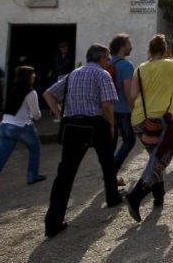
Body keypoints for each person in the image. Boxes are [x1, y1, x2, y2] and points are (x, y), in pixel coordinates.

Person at [42, 44, 121, 237]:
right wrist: (111, 124)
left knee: (65, 174)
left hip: (72, 125)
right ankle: (112, 196)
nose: (109, 61)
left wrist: (60, 114)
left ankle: (53, 221)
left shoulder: (72, 74)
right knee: (107, 162)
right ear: (102, 58)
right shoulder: (102, 75)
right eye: (108, 58)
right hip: (95, 123)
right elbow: (107, 105)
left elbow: (48, 94)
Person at [125, 34, 173, 223]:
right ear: (165, 49)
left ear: (150, 50)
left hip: (140, 119)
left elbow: (132, 96)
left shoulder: (140, 68)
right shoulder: (172, 65)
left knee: (155, 156)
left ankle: (159, 196)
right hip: (163, 120)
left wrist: (137, 115)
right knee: (162, 157)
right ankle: (136, 195)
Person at [0, 66, 45, 197]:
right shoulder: (31, 92)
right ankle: (32, 175)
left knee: (0, 157)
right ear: (28, 77)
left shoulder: (13, 89)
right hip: (21, 126)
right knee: (35, 148)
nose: (34, 76)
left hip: (4, 126)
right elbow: (36, 114)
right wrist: (37, 116)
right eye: (32, 74)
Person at [108, 34, 135, 185]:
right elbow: (127, 90)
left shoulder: (108, 63)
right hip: (123, 110)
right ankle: (112, 172)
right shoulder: (126, 65)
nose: (131, 46)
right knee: (129, 140)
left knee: (111, 144)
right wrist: (133, 109)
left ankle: (109, 175)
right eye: (129, 43)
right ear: (122, 45)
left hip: (108, 110)